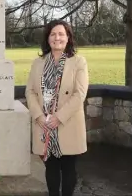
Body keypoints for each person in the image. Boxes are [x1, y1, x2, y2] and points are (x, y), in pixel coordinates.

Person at [25, 19, 89, 196]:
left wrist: (58, 117)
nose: (57, 38)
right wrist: (39, 116)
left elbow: (79, 94)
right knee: (51, 169)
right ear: (47, 38)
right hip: (44, 125)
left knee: (68, 170)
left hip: (67, 123)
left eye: (61, 34)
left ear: (68, 37)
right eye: (53, 34)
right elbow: (29, 91)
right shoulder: (38, 63)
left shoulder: (78, 62)